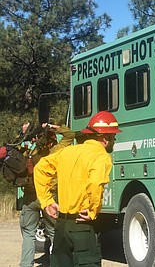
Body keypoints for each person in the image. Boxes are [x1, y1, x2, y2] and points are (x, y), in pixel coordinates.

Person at [33, 112, 121, 267]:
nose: (114, 140)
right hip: (82, 224)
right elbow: (95, 183)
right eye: (113, 136)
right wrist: (93, 210)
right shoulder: (101, 156)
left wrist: (47, 201)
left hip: (61, 225)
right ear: (105, 138)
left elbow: (40, 168)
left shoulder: (68, 151)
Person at [19, 122, 75, 267]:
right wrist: (54, 126)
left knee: (28, 234)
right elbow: (70, 135)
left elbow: (15, 147)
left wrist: (29, 134)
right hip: (49, 197)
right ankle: (57, 263)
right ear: (52, 140)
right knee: (53, 232)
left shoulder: (28, 152)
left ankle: (26, 264)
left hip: (30, 196)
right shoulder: (56, 151)